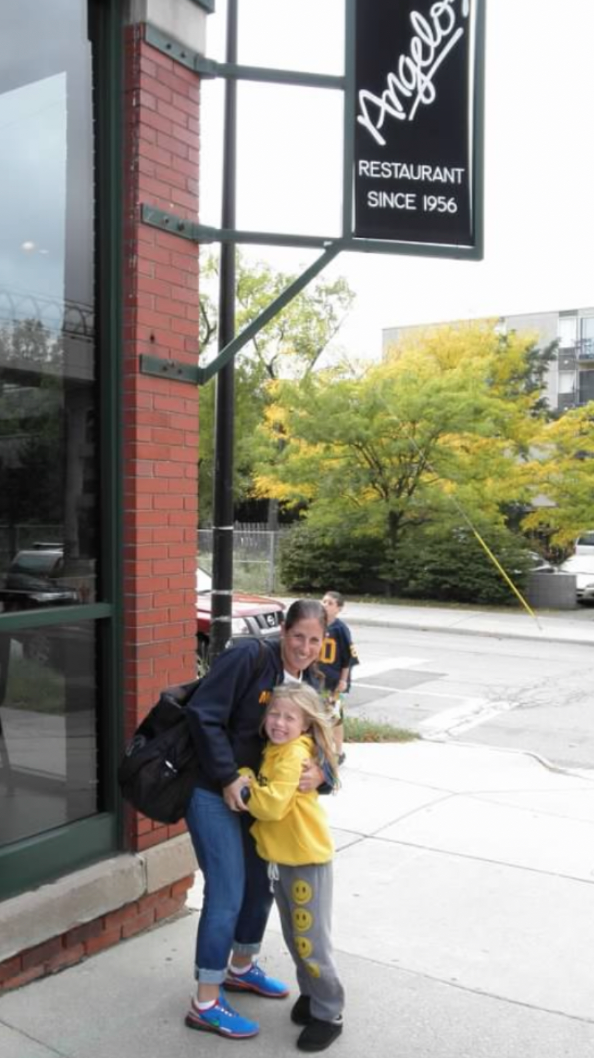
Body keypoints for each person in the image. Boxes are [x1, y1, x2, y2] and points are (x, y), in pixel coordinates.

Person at [183, 599, 328, 1040]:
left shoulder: (312, 681)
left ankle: (240, 968)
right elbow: (202, 713)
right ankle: (205, 1003)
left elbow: (324, 737)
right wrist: (228, 777)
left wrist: (322, 772)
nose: (304, 648)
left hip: (259, 800)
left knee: (261, 885)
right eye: (298, 636)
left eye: (314, 640)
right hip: (212, 789)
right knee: (227, 891)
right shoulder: (249, 657)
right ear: (283, 631)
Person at [240, 683, 345, 1053]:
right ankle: (312, 994)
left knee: (310, 941)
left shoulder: (294, 754)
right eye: (274, 713)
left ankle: (329, 1013)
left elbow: (271, 806)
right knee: (295, 936)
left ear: (305, 725)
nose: (279, 722)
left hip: (305, 861)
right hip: (285, 859)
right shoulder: (275, 749)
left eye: (289, 717)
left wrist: (244, 786)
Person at [319, 591, 359, 764]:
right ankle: (320, 749)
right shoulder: (317, 624)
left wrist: (343, 680)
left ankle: (338, 751)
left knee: (334, 716)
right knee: (317, 715)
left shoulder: (340, 629)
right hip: (317, 679)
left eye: (330, 603)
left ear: (339, 608)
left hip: (334, 681)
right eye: (323, 601)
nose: (325, 605)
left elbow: (348, 658)